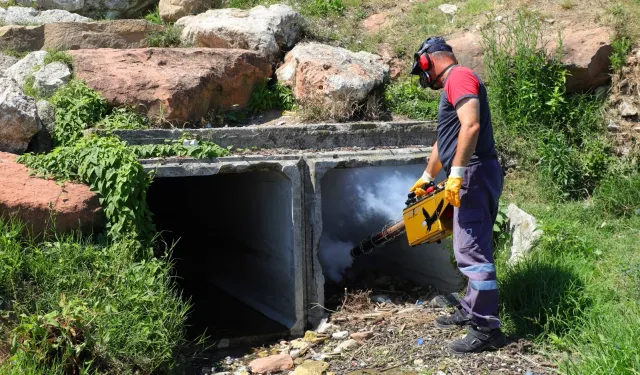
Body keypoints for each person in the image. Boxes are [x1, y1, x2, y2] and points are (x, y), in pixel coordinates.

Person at [408, 37, 506, 354]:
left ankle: (486, 329)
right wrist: (426, 178)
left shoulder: (459, 77)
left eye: (421, 71)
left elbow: (471, 126)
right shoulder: (454, 84)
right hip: (469, 174)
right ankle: (471, 308)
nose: (424, 80)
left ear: (428, 62)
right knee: (468, 243)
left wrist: (456, 175)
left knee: (472, 252)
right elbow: (445, 141)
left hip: (474, 174)